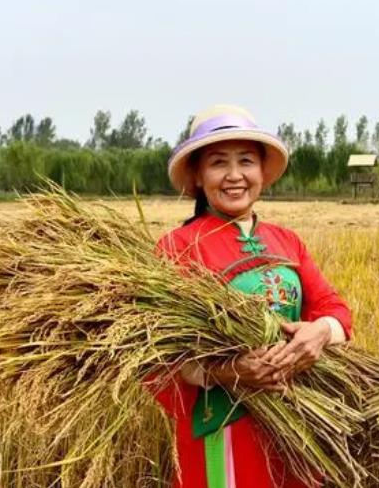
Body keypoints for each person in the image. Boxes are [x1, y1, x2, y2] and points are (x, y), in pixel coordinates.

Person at [151, 105, 352, 488]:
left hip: (299, 419)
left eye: (246, 161)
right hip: (223, 427)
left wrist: (320, 333)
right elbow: (155, 354)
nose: (234, 175)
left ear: (261, 172)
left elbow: (334, 308)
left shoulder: (286, 241)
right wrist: (228, 372)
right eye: (218, 163)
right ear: (198, 176)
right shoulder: (177, 248)